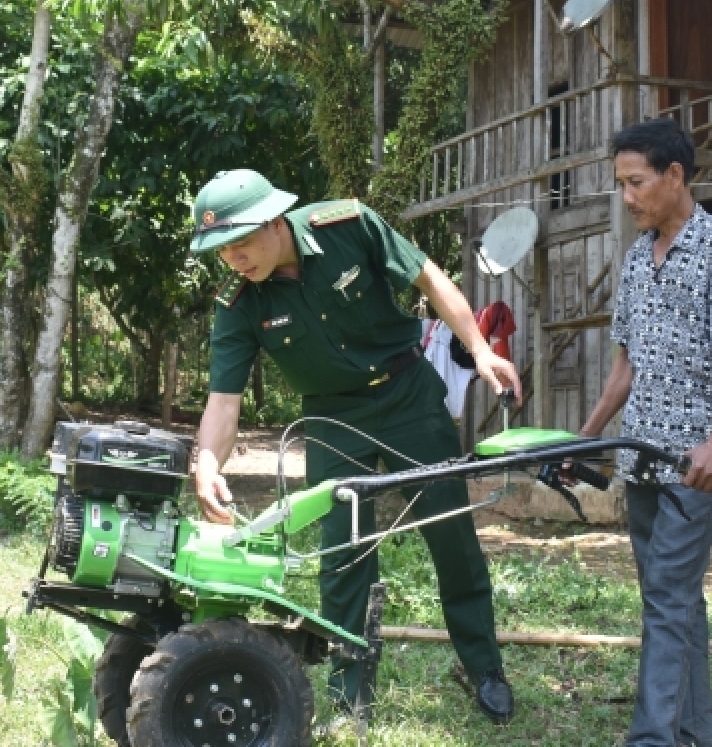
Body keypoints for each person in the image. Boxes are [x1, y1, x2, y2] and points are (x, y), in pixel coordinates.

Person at [187, 169, 520, 724]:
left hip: (408, 394)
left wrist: (479, 349)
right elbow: (224, 401)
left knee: (451, 530)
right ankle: (349, 694)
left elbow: (429, 278)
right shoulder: (239, 303)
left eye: (241, 242)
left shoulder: (347, 225)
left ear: (274, 222)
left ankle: (483, 667)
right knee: (343, 554)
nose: (233, 258)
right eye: (221, 250)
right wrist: (207, 463)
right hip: (331, 416)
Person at [577, 119, 712, 747]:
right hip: (642, 457)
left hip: (699, 458)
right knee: (676, 597)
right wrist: (586, 437)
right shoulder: (635, 257)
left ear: (673, 175)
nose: (627, 196)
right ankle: (694, 734)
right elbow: (623, 367)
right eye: (622, 183)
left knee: (667, 592)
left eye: (636, 182)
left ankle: (652, 738)